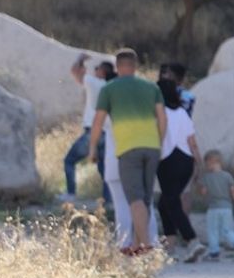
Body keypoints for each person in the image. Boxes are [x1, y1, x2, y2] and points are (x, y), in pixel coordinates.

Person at [89, 49, 165, 255]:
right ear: (136, 65)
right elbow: (162, 118)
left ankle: (146, 246)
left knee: (135, 199)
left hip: (128, 149)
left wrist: (92, 147)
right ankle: (136, 246)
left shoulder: (109, 89)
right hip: (152, 147)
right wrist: (159, 142)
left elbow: (97, 122)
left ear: (117, 67)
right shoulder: (152, 88)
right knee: (146, 200)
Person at [156, 78, 206, 262]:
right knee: (165, 203)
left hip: (168, 160)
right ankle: (170, 245)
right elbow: (192, 142)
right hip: (186, 160)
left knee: (171, 202)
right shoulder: (183, 113)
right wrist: (199, 166)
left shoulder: (159, 113)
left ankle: (192, 240)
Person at [63, 54, 113, 203]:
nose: (94, 71)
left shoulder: (94, 83)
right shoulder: (111, 87)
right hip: (107, 133)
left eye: (97, 68)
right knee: (104, 169)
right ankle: (108, 200)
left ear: (102, 72)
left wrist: (80, 59)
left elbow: (74, 71)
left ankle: (71, 194)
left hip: (92, 131)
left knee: (69, 161)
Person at [197, 150, 234, 261]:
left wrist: (200, 186)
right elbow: (233, 191)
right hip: (227, 208)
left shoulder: (206, 177)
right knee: (226, 230)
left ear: (211, 162)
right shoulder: (227, 176)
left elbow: (203, 192)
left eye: (206, 163)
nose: (206, 166)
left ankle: (214, 252)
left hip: (213, 209)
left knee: (213, 230)